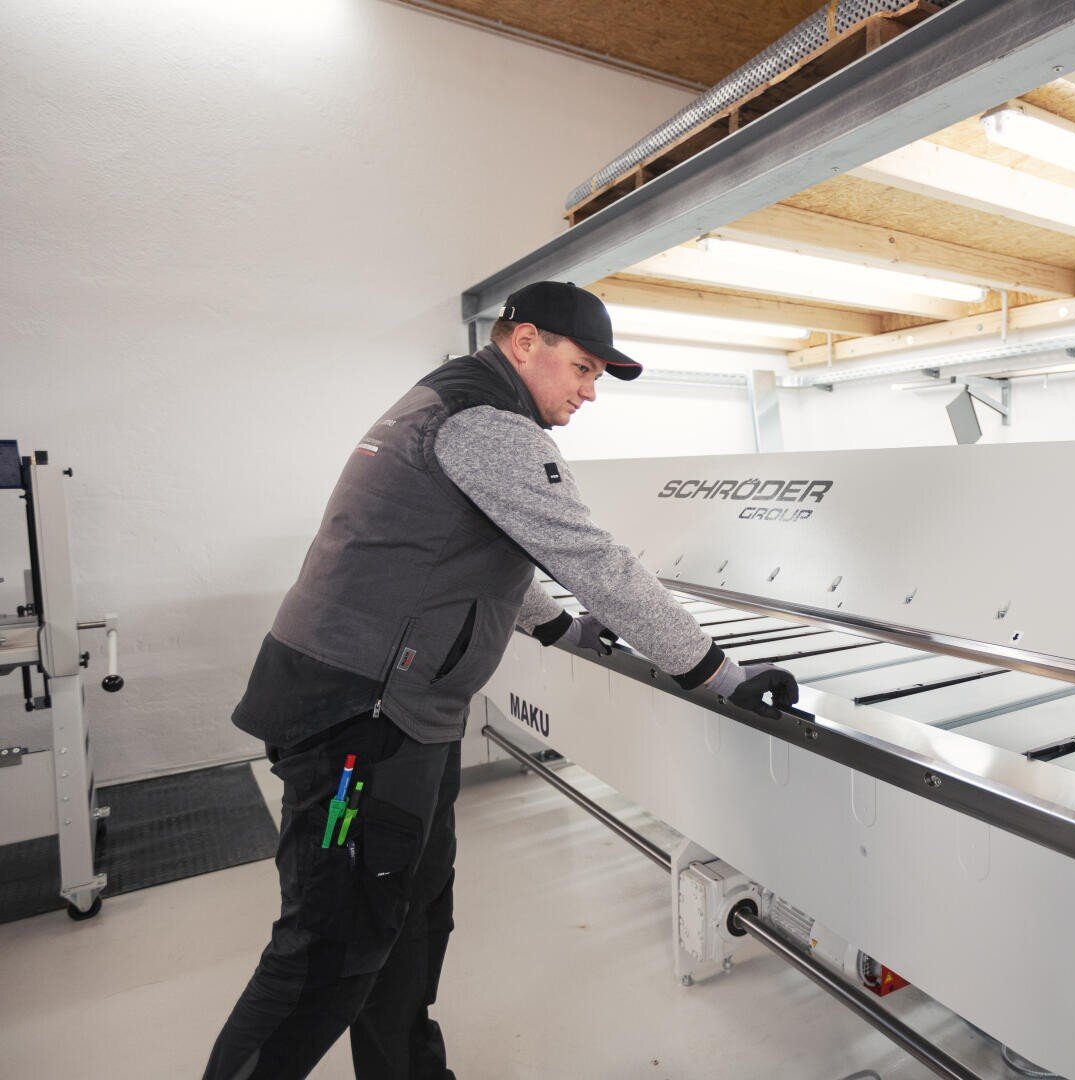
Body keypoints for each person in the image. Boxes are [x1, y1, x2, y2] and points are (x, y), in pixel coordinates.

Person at [204, 281, 798, 1079]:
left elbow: (472, 543)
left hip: (398, 715)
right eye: (582, 369)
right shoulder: (491, 425)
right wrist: (718, 674)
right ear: (525, 344)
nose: (590, 393)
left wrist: (555, 627)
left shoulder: (446, 402)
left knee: (413, 918)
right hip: (362, 724)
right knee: (329, 949)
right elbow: (596, 562)